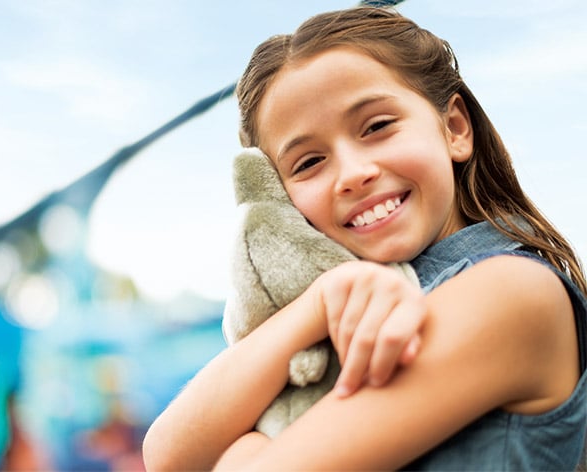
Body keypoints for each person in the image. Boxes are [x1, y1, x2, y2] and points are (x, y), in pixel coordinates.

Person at [142, 6, 587, 471]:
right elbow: (165, 455)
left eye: (377, 127)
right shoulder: (343, 311)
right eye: (309, 162)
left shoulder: (511, 291)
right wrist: (318, 304)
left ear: (454, 128)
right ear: (279, 197)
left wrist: (240, 452)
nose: (352, 175)